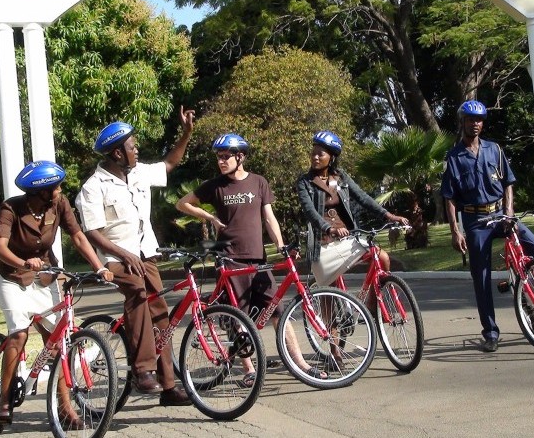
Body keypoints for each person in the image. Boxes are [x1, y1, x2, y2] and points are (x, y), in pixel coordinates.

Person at [175, 133, 327, 381]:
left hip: (258, 259)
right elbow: (182, 204)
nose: (221, 161)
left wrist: (280, 245)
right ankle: (249, 369)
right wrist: (210, 217)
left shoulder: (258, 182)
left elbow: (269, 217)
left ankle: (300, 363)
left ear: (240, 157)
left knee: (278, 311)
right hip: (229, 259)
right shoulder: (215, 185)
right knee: (239, 316)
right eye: (218, 157)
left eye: (226, 156)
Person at [75, 108, 194, 407]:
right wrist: (123, 253)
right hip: (115, 259)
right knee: (138, 295)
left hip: (145, 255)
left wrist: (186, 133)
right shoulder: (93, 187)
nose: (136, 150)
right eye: (132, 146)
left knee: (160, 313)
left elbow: (169, 163)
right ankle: (143, 371)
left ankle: (169, 387)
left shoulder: (138, 172)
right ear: (117, 153)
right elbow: (92, 233)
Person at [440, 100, 534, 353]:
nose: (475, 124)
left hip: (501, 214)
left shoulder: (494, 150)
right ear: (462, 122)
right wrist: (455, 231)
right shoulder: (454, 158)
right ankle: (490, 332)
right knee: (482, 278)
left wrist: (509, 212)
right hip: (475, 221)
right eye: (470, 119)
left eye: (479, 120)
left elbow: (508, 182)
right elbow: (450, 198)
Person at [0, 160, 115, 428]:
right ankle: (3, 401)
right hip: (14, 279)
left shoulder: (59, 204)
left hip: (46, 277)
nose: (60, 190)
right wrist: (23, 263)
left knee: (59, 341)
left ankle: (64, 408)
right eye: (56, 187)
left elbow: (78, 236)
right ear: (41, 192)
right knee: (19, 334)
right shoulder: (10, 208)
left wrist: (99, 267)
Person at [296, 130, 408, 305]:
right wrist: (329, 228)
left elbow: (363, 198)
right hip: (322, 243)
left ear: (331, 157)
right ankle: (328, 324)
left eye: (320, 154)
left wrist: (389, 215)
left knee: (382, 258)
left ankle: (371, 306)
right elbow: (310, 211)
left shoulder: (341, 177)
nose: (315, 157)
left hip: (347, 238)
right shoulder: (304, 182)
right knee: (329, 294)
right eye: (313, 153)